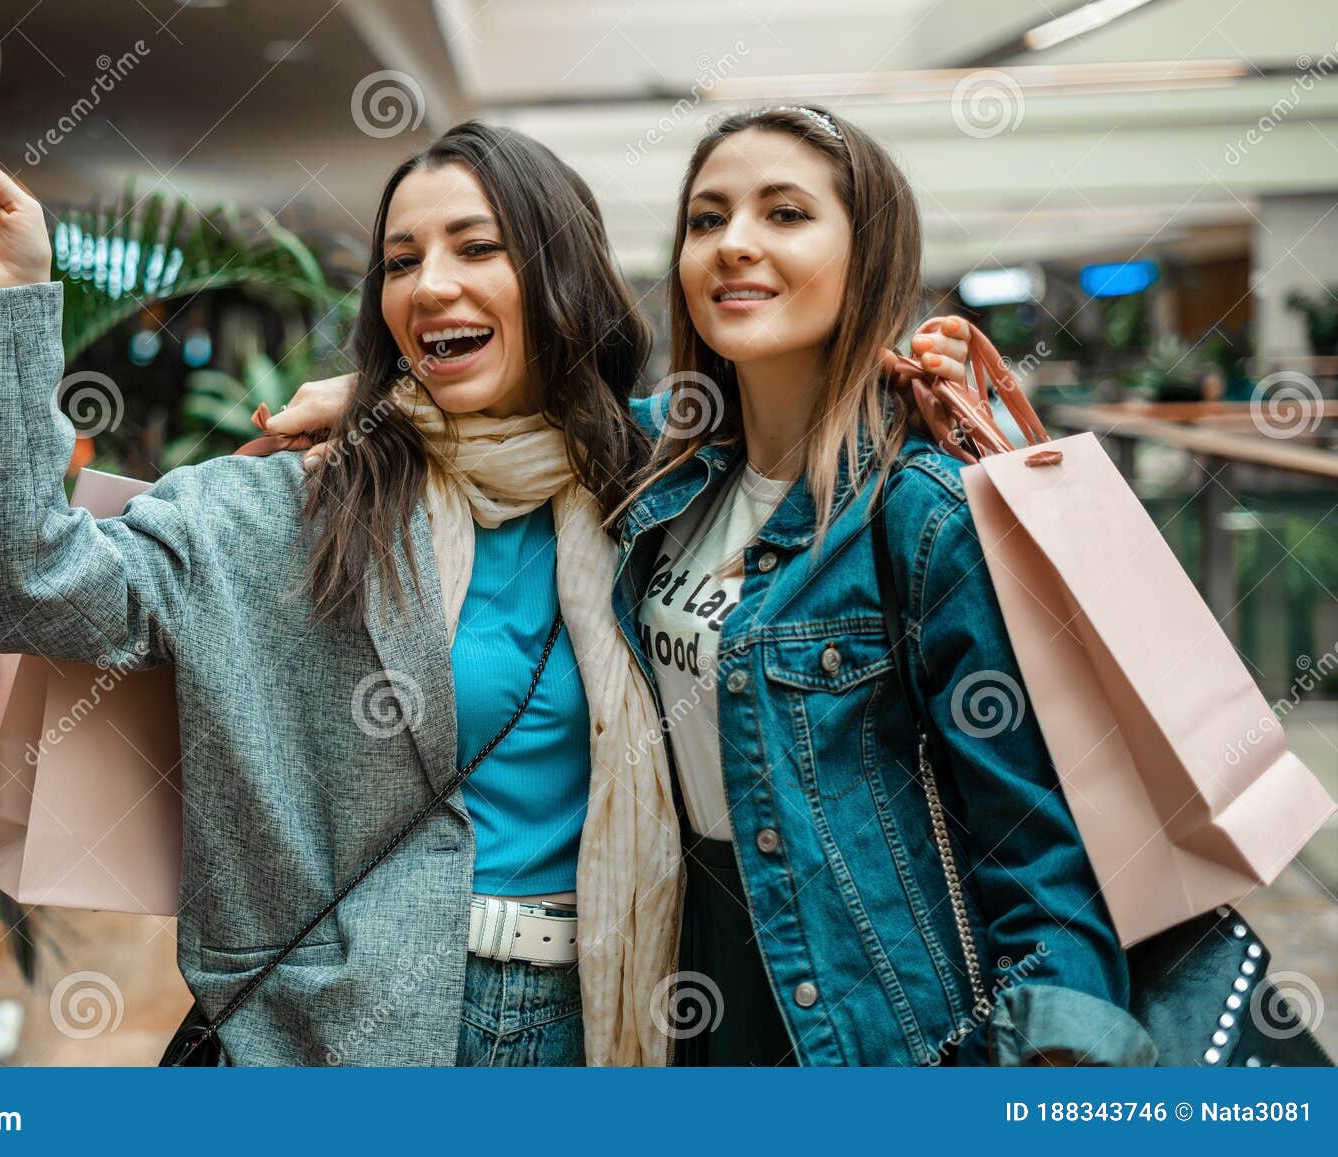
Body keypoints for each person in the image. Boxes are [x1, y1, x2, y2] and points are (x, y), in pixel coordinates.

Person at [266, 106, 1157, 1067]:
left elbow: (1041, 861)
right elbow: (533, 402)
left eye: (784, 215)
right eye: (706, 219)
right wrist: (369, 401)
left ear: (869, 258)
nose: (735, 245)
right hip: (683, 978)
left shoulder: (918, 516)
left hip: (867, 1005)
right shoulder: (666, 474)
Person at [0, 123, 686, 1066]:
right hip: (347, 1029)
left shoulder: (650, 493)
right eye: (401, 260)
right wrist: (16, 305)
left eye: (478, 247)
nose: (431, 283)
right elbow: (33, 586)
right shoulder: (294, 503)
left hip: (602, 1014)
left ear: (564, 276)